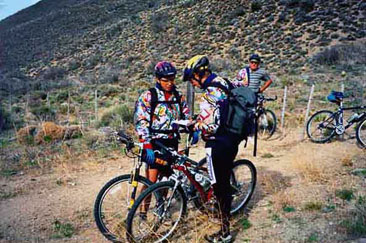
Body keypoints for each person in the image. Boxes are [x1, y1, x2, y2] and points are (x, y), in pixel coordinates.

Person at [183, 55, 248, 243]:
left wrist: (194, 124)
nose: (192, 84)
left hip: (217, 143)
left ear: (198, 74)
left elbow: (210, 126)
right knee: (223, 177)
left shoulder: (210, 94)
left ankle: (225, 232)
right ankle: (224, 213)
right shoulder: (223, 81)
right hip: (233, 138)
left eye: (191, 80)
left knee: (219, 186)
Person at [134, 61, 191, 215]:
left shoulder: (178, 96)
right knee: (151, 179)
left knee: (166, 177)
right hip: (154, 142)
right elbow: (141, 121)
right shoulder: (149, 96)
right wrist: (146, 144)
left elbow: (185, 116)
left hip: (171, 142)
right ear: (158, 79)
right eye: (165, 80)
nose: (169, 83)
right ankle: (142, 212)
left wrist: (192, 127)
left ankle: (161, 207)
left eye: (172, 79)